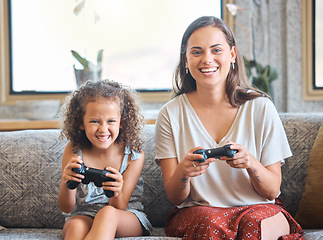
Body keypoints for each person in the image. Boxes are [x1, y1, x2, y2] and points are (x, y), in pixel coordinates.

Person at [155, 16, 303, 240]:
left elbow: (272, 191)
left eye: (216, 50)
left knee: (256, 224)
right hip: (200, 211)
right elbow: (176, 197)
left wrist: (250, 163)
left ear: (232, 54)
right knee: (210, 223)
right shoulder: (170, 114)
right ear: (185, 60)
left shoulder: (261, 108)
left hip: (258, 207)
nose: (207, 59)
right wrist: (184, 172)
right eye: (196, 52)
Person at [57, 79, 152, 240]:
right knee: (75, 226)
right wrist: (66, 184)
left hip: (125, 215)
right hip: (84, 214)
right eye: (94, 121)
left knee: (107, 214)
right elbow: (66, 208)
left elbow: (119, 207)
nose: (103, 129)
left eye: (111, 121)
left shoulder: (133, 155)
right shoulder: (74, 150)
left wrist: (117, 191)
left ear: (121, 122)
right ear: (81, 123)